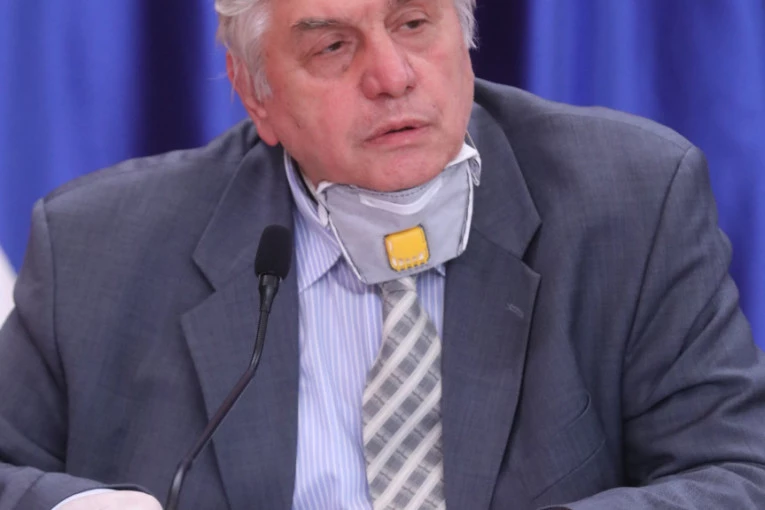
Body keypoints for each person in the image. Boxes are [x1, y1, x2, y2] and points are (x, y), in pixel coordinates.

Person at [1, 0, 764, 508]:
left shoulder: (628, 199)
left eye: (413, 22)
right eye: (333, 46)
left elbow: (736, 473)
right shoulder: (99, 245)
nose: (393, 77)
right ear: (254, 92)